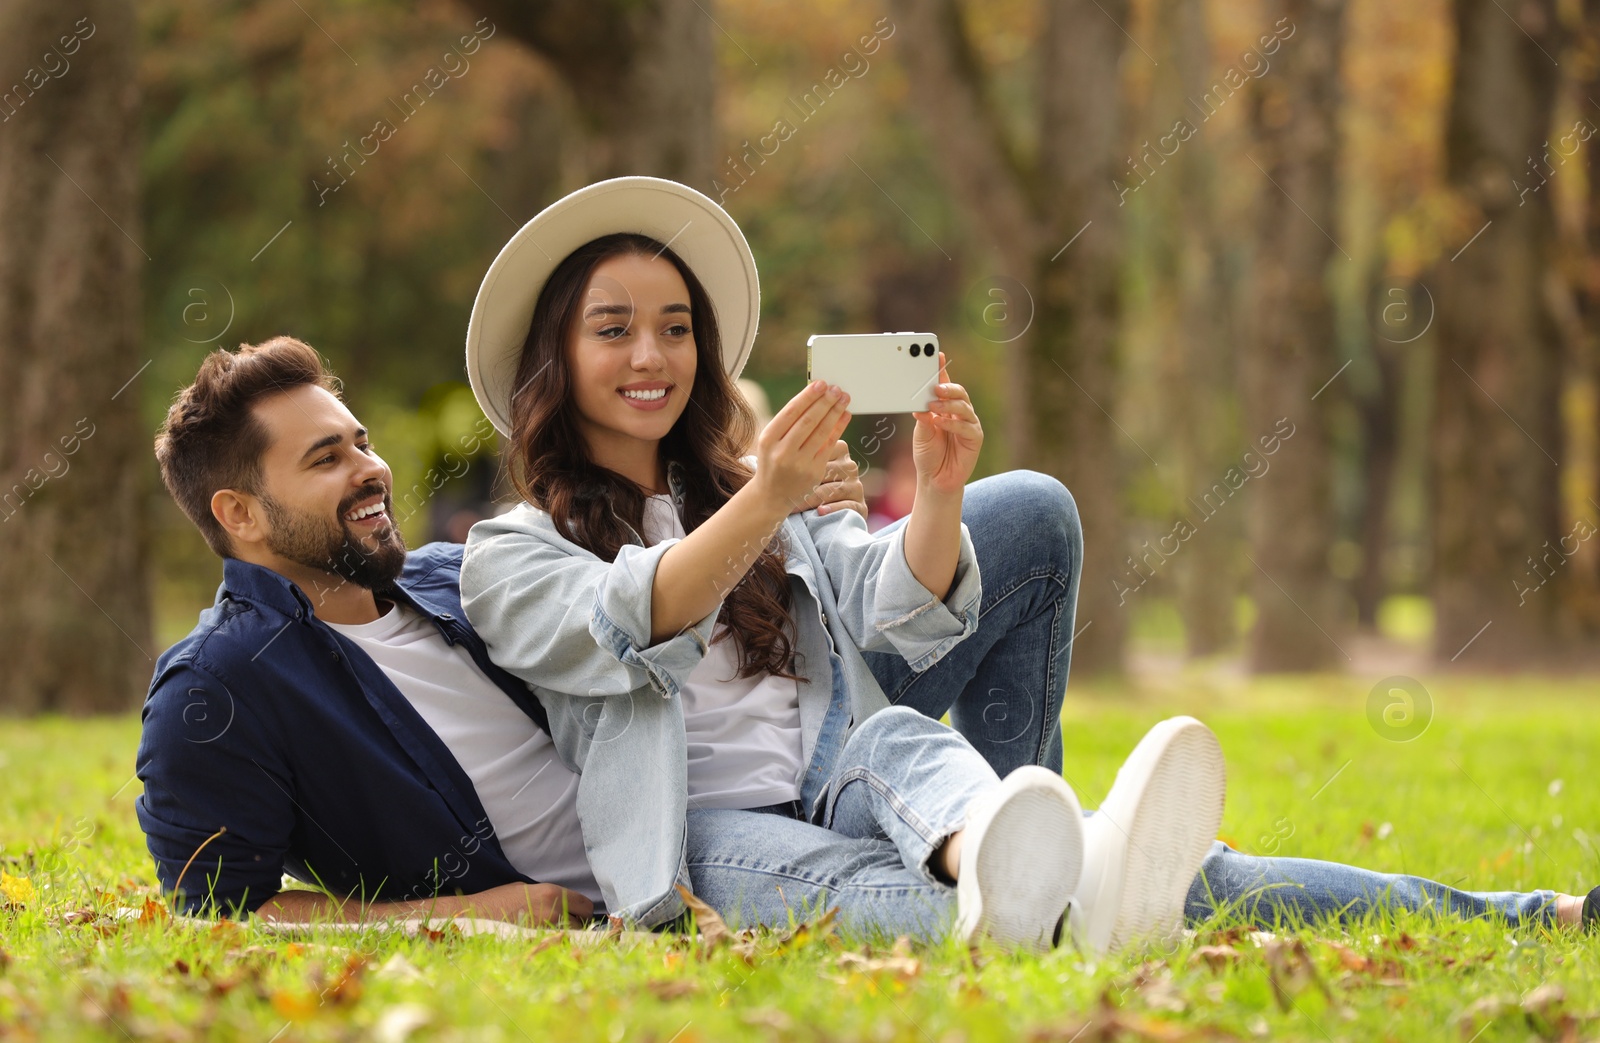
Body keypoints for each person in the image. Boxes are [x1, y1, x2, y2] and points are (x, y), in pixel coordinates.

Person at [135, 334, 1596, 944]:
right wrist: (481, 919)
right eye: (323, 463)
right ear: (240, 517)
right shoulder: (221, 688)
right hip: (681, 859)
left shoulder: (437, 583)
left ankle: (1535, 923)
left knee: (1080, 843)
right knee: (1106, 900)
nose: (370, 467)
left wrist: (858, 509)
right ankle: (1055, 862)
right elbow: (221, 911)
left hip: (813, 774)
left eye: (359, 438)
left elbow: (712, 630)